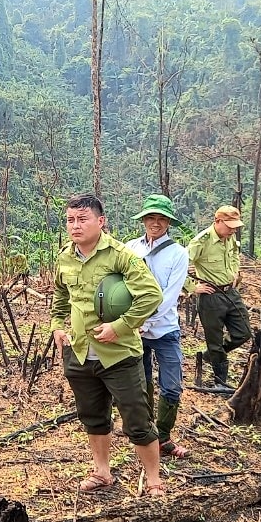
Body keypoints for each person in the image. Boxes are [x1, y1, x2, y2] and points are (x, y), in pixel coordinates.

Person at [50, 193, 166, 496]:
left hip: (118, 355)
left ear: (100, 221)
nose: (75, 226)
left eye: (82, 219)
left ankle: (153, 481)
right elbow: (61, 296)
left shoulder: (120, 256)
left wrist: (120, 326)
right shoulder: (65, 256)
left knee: (137, 419)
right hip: (78, 353)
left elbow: (151, 295)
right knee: (92, 415)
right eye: (70, 220)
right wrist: (57, 326)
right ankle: (102, 472)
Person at [125, 194, 190, 458]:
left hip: (164, 330)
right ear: (143, 220)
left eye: (161, 218)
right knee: (142, 383)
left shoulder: (178, 253)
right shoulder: (130, 248)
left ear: (168, 222)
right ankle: (147, 433)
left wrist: (145, 321)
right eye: (151, 217)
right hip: (134, 331)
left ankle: (163, 435)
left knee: (171, 385)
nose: (155, 223)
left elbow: (169, 296)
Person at [187, 205, 252, 389]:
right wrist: (193, 287)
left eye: (235, 226)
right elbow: (179, 264)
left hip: (230, 292)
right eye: (230, 225)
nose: (233, 230)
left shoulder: (229, 238)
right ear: (217, 222)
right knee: (214, 339)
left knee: (244, 332)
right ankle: (220, 382)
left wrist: (234, 274)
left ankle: (211, 355)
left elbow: (234, 257)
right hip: (211, 296)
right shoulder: (201, 241)